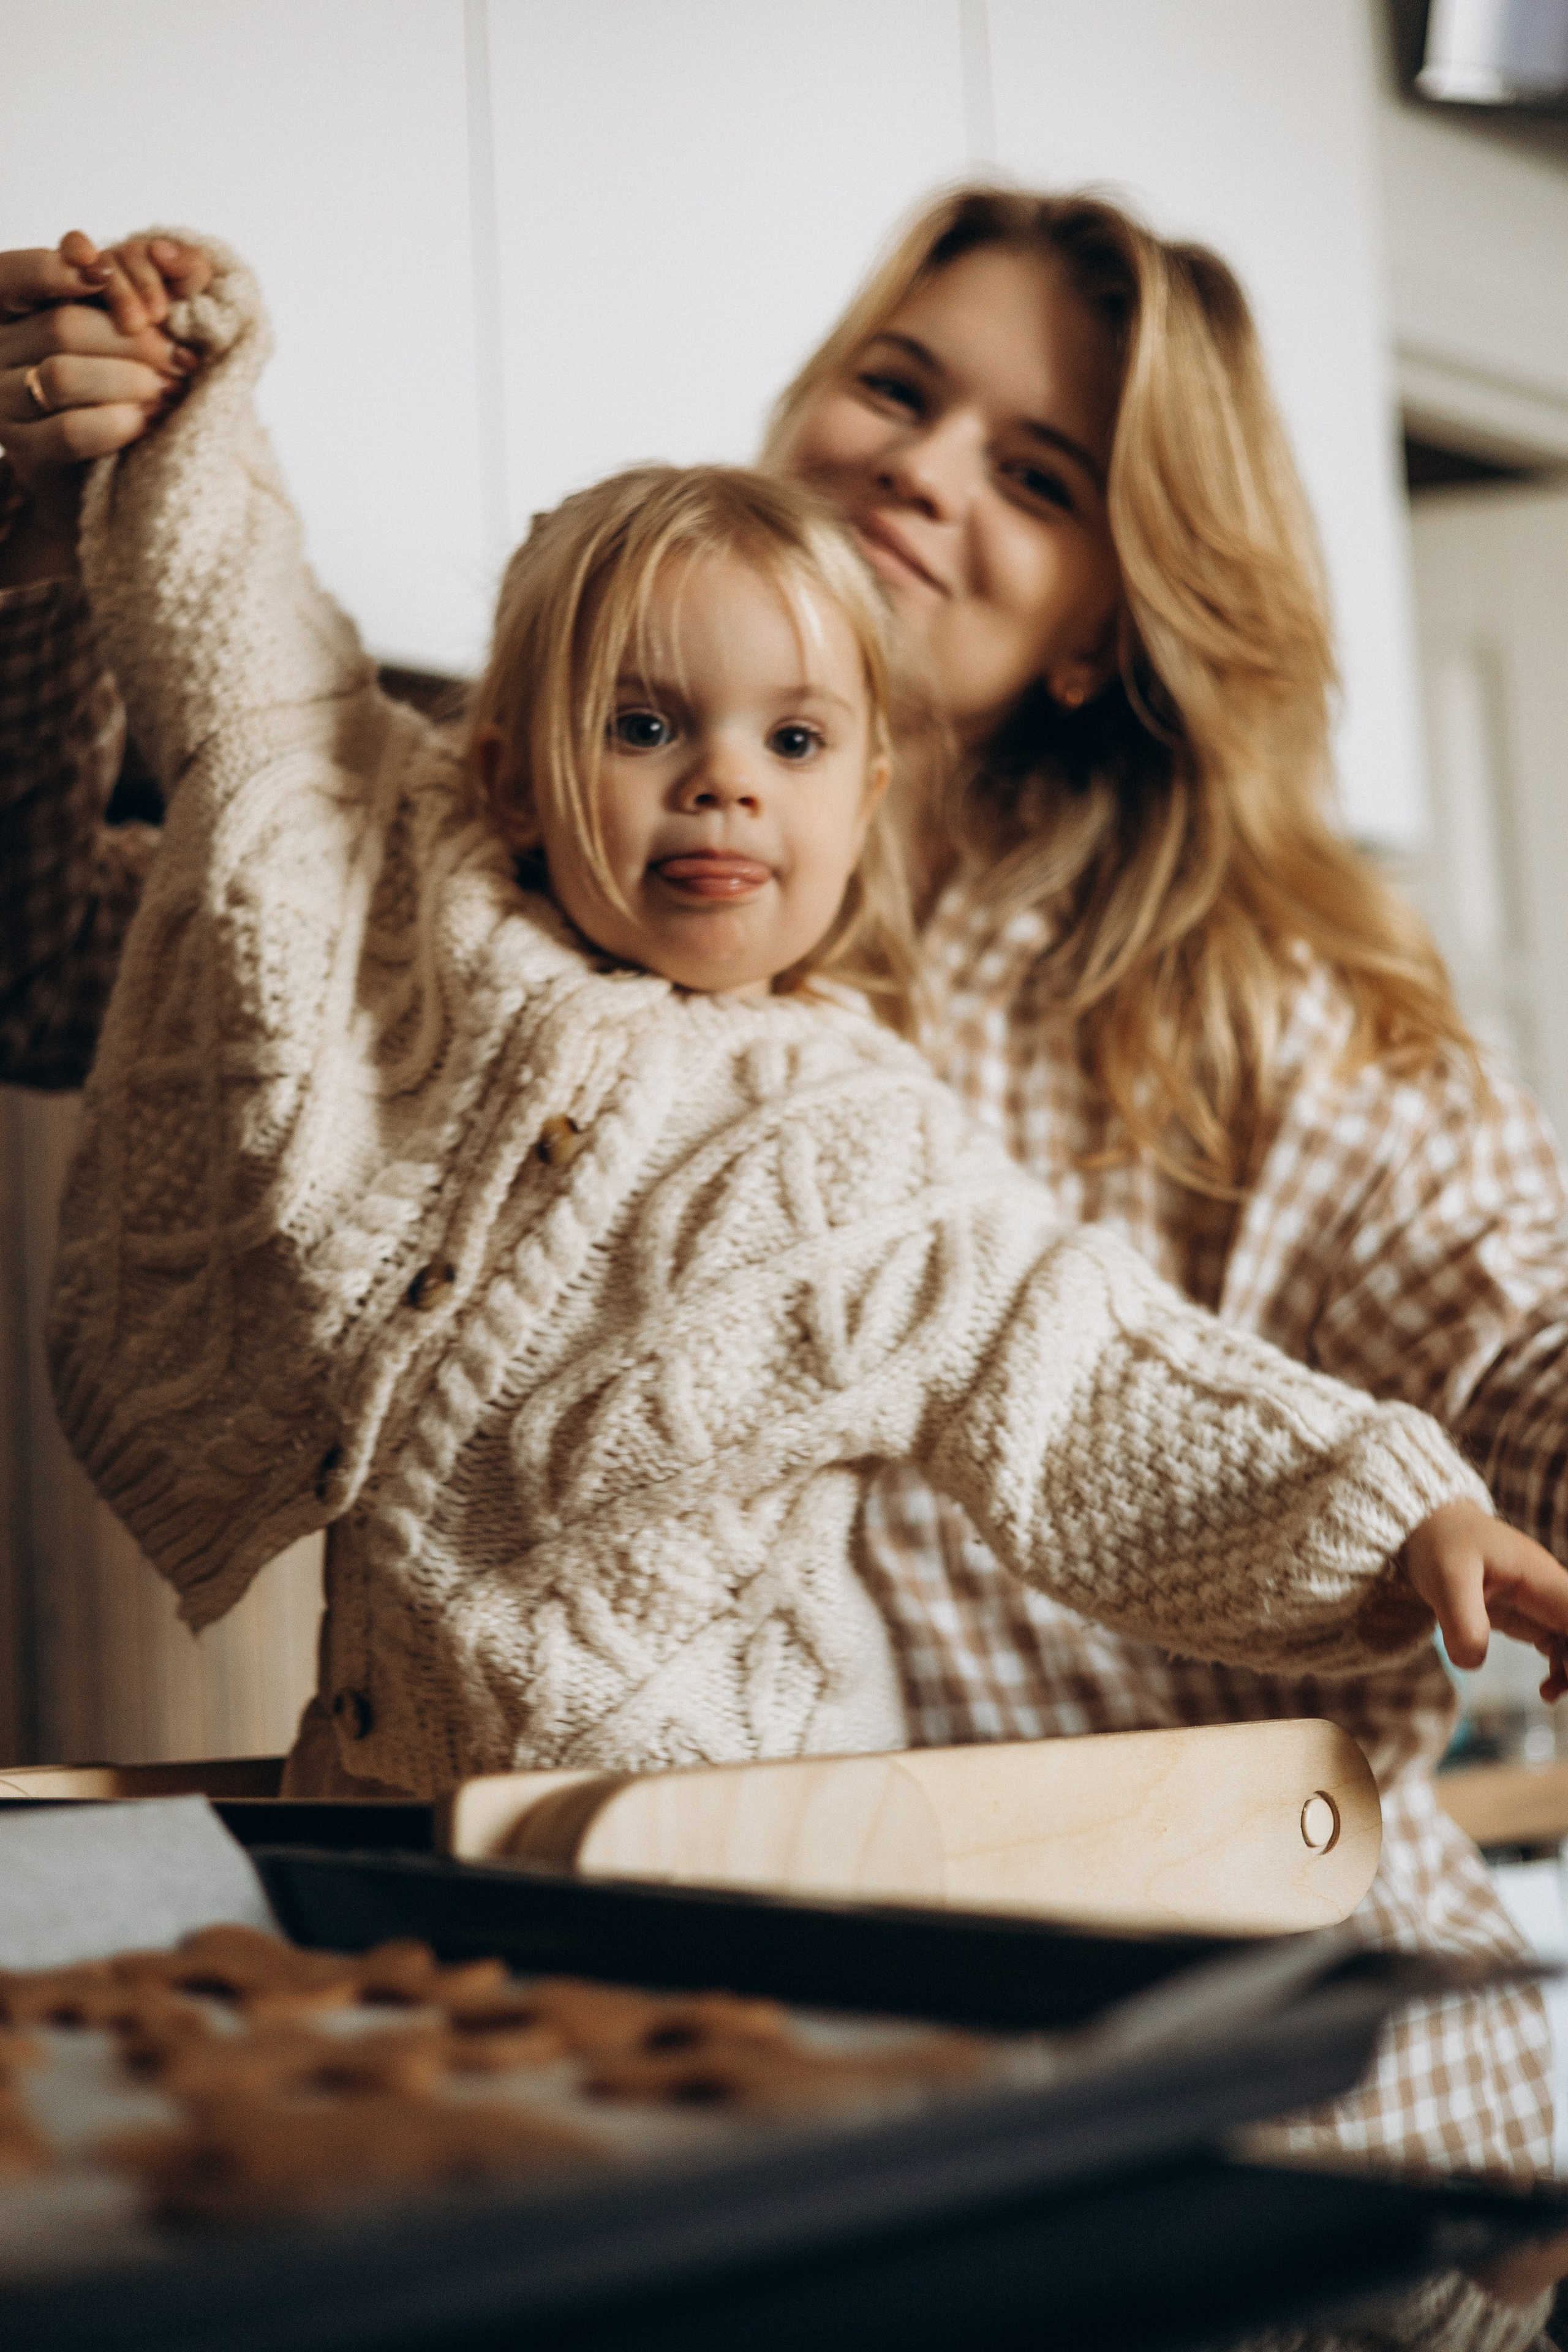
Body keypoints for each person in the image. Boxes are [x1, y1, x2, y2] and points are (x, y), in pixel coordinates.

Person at [2, 192, 1566, 2223]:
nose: (926, 469)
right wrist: (105, 471)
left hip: (1241, 2056)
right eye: (898, 389)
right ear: (531, 766)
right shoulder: (452, 893)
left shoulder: (1211, 1021)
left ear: (1103, 622)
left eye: (1038, 475)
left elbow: (1143, 1364)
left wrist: (1410, 1512)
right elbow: (193, 816)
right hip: (549, 1942)